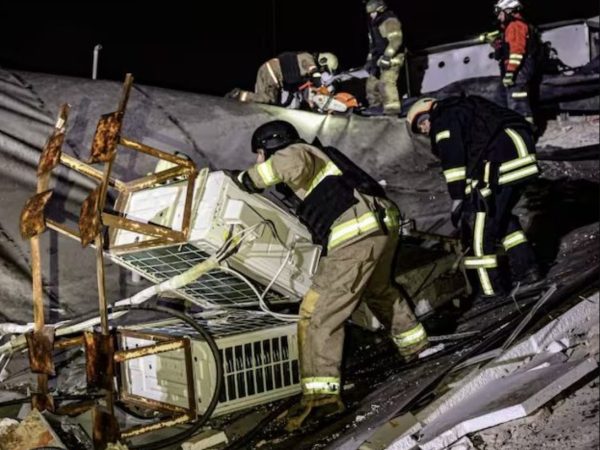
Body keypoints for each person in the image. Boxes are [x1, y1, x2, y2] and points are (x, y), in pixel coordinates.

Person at [230, 120, 427, 429]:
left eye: (259, 153)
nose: (258, 159)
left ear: (271, 145)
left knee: (317, 313)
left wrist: (244, 179)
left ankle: (322, 398)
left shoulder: (294, 152)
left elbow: (282, 167)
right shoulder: (320, 158)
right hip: (378, 225)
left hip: (357, 234)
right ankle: (416, 347)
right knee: (379, 291)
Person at [407, 96, 541, 300]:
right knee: (502, 220)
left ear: (428, 113)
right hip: (521, 160)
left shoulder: (443, 119)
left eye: (422, 123)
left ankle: (492, 290)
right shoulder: (465, 109)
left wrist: (457, 198)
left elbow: (453, 161)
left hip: (503, 165)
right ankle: (528, 271)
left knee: (480, 232)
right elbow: (477, 151)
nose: (424, 130)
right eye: (420, 129)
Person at [488, 0, 541, 124]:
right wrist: (496, 43)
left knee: (518, 102)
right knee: (507, 99)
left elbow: (517, 52)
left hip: (519, 70)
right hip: (516, 69)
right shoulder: (510, 27)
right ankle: (515, 127)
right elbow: (508, 48)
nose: (498, 17)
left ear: (508, 11)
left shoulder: (515, 26)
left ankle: (525, 129)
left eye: (500, 13)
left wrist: (511, 72)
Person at [232, 52, 338, 105]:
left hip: (270, 71)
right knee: (269, 100)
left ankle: (241, 100)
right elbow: (315, 74)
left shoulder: (303, 69)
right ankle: (239, 94)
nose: (322, 71)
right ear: (323, 61)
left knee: (266, 104)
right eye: (324, 69)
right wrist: (323, 90)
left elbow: (297, 84)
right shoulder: (307, 57)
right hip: (272, 72)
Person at [363, 0, 404, 116]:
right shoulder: (373, 25)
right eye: (370, 14)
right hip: (379, 58)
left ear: (381, 10)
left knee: (386, 82)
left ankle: (392, 110)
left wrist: (387, 57)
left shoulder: (389, 21)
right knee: (371, 84)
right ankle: (375, 108)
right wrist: (370, 62)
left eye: (373, 13)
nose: (371, 15)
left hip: (393, 57)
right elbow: (373, 46)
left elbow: (396, 40)